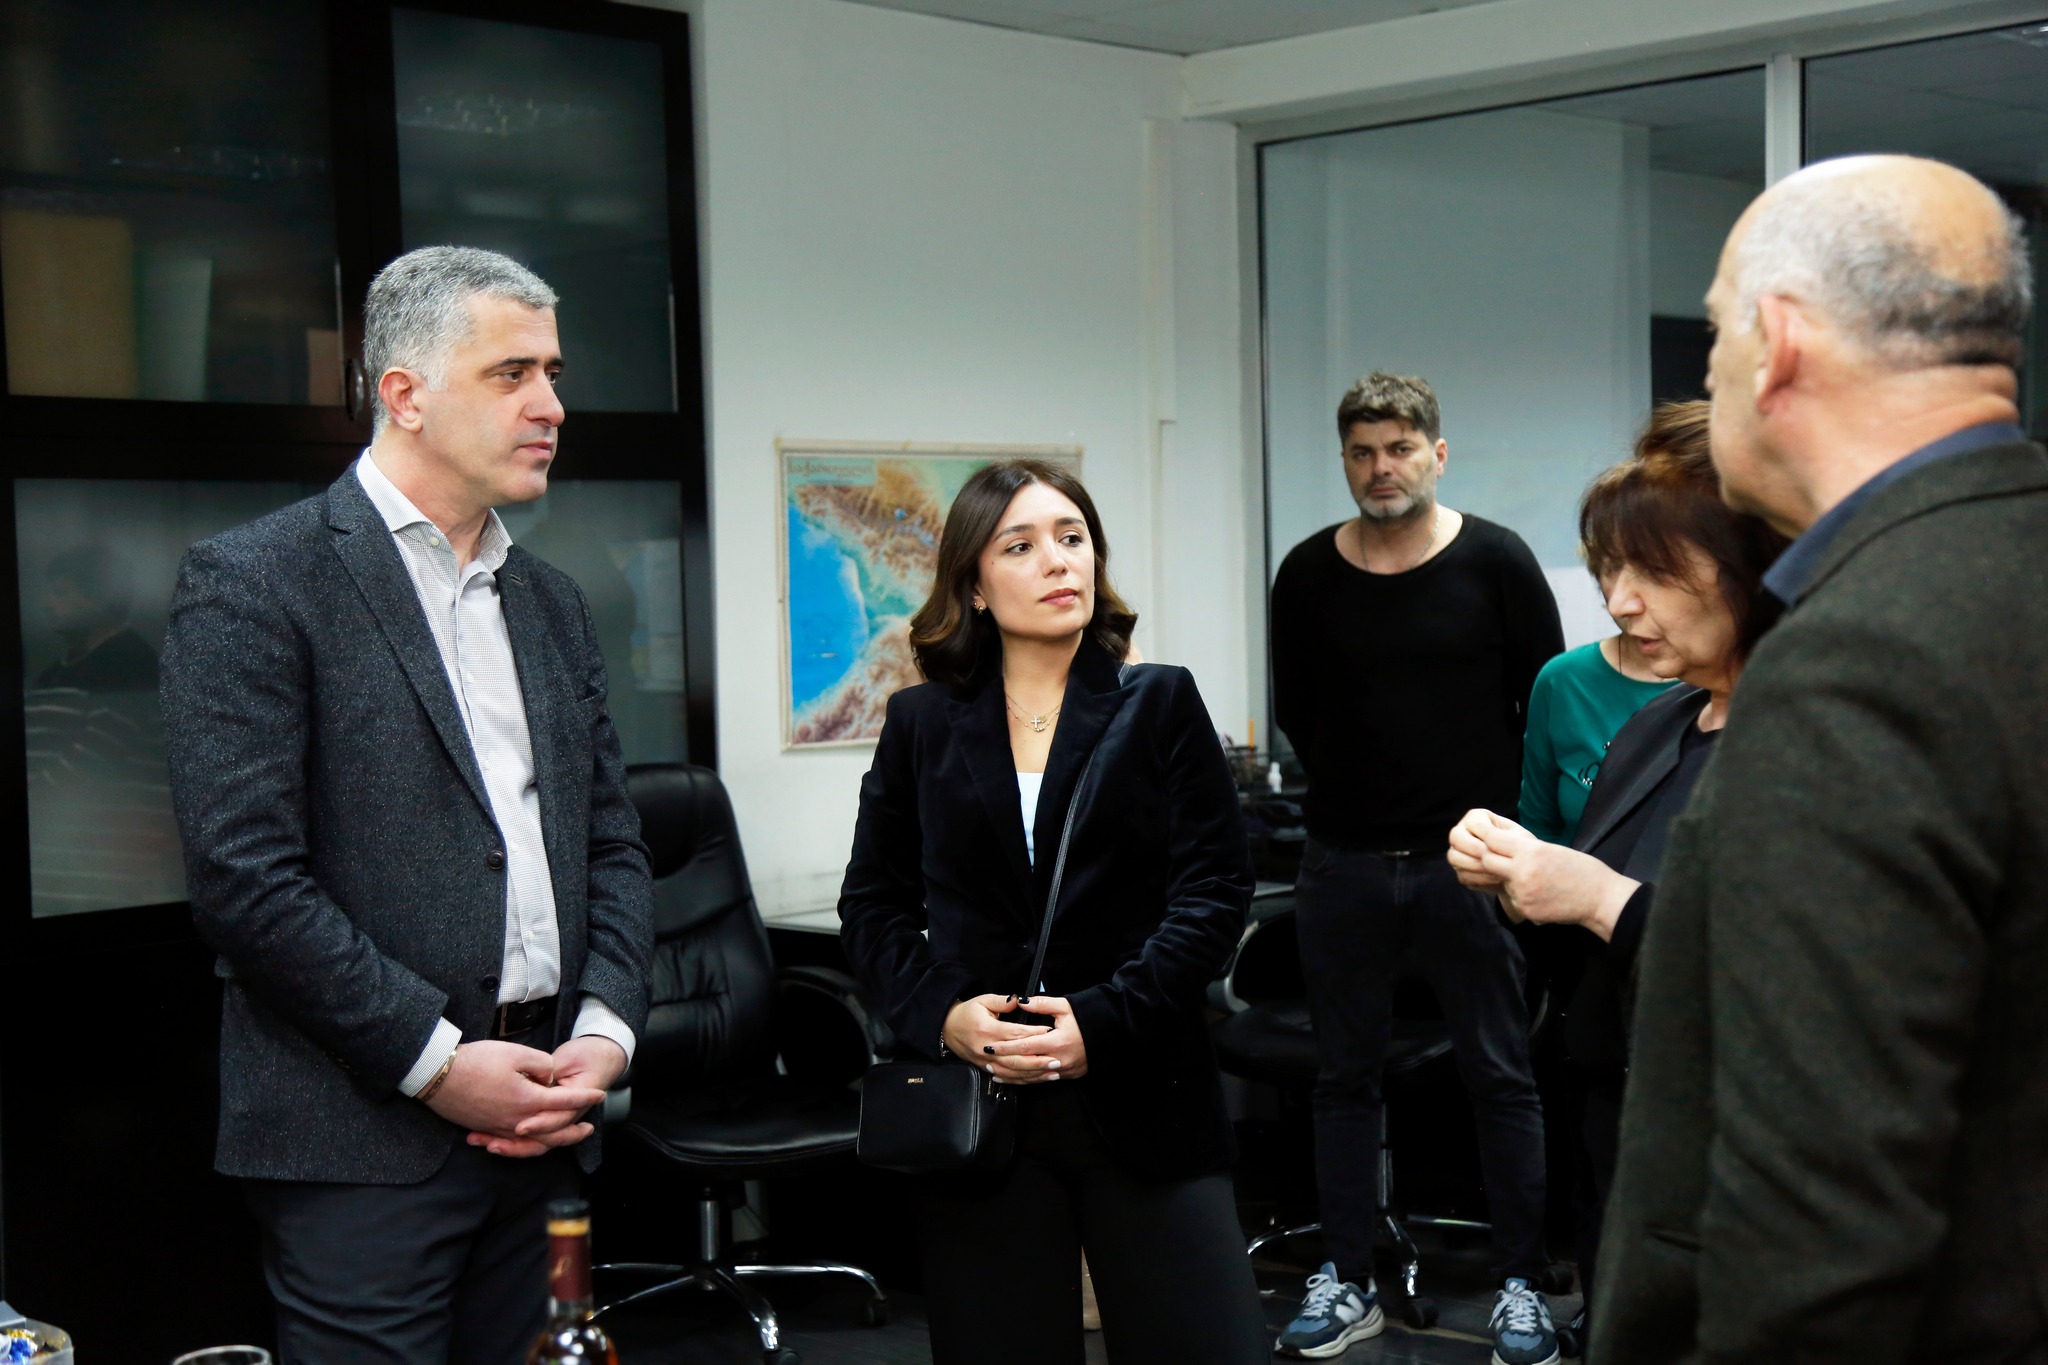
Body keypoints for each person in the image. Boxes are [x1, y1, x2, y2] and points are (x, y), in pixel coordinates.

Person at [1590, 155, 2048, 1364]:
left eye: (1711, 337)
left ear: (1777, 344)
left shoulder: (1854, 659)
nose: (1708, 376)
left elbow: (1822, 1226)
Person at [160, 245, 653, 1364]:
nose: (551, 406)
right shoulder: (257, 581)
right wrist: (437, 1064)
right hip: (360, 1144)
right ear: (405, 394)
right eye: (511, 373)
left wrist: (605, 1032)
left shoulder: (552, 600)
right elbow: (245, 880)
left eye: (554, 373)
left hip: (548, 1114)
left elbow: (610, 840)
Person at [837, 459, 1268, 1365]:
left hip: (1145, 1088)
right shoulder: (922, 721)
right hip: (987, 1106)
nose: (1057, 560)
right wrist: (943, 1015)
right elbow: (874, 903)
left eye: (1072, 538)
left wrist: (1104, 1020)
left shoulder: (1160, 701)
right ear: (974, 586)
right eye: (1021, 546)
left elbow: (1214, 892)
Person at [1448, 402, 1786, 1350]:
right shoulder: (1658, 724)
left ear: (1754, 567)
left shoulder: (1807, 738)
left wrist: (1599, 898)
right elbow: (1590, 910)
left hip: (1737, 1153)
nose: (1621, 604)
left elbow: (1780, 966)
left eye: (1655, 573)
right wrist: (1518, 875)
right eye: (1612, 572)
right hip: (1620, 1124)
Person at [1269, 371, 1565, 1363]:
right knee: (1342, 1082)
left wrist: (1509, 843)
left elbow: (1539, 709)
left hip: (1468, 864)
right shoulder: (1307, 572)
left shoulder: (1496, 561)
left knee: (1500, 1076)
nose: (1379, 468)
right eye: (1361, 452)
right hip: (1344, 862)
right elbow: (1298, 709)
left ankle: (1522, 1286)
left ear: (1436, 455)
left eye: (1398, 449)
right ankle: (1347, 1278)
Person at [1517, 597, 1671, 844]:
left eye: (1654, 577)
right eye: (1609, 576)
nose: (1621, 602)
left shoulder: (1726, 685)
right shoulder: (1562, 680)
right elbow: (1537, 826)